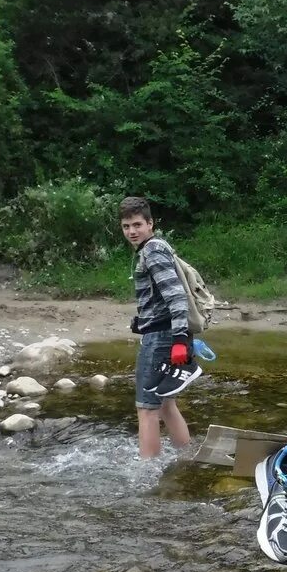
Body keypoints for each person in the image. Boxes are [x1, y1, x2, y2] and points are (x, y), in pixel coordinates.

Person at [120, 196, 195, 459]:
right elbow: (162, 297)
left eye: (137, 224)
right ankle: (186, 458)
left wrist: (179, 338)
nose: (132, 231)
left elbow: (176, 296)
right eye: (126, 226)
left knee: (147, 409)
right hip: (162, 332)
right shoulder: (155, 249)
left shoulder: (152, 250)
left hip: (162, 337)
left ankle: (146, 473)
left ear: (150, 224)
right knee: (165, 404)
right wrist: (143, 321)